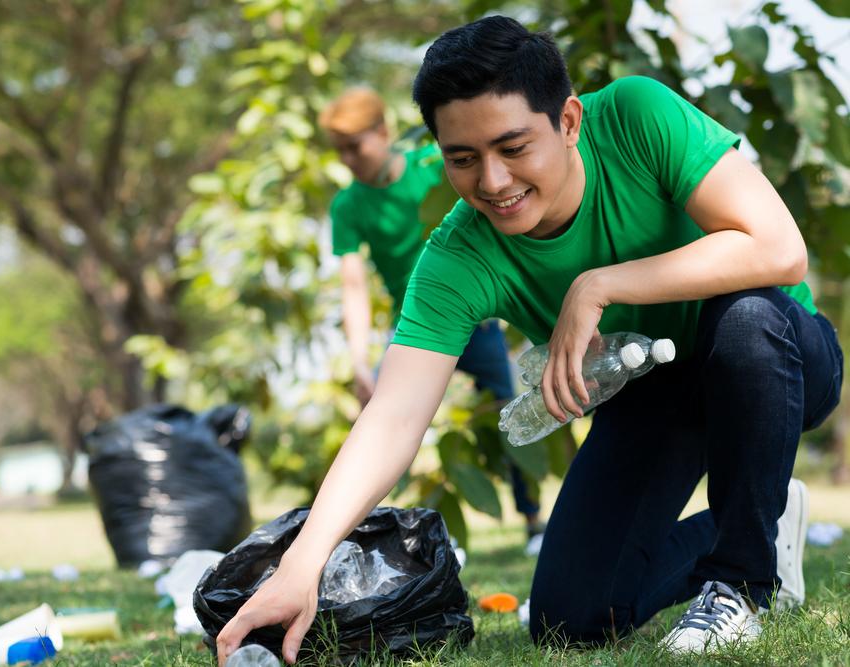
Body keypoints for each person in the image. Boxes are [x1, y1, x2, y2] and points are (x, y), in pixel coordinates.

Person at [216, 16, 842, 664]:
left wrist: (595, 285)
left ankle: (739, 582)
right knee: (570, 614)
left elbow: (779, 247)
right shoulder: (459, 254)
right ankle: (762, 514)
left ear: (568, 121)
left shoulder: (635, 116)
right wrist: (302, 562)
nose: (492, 181)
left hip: (777, 361)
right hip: (653, 395)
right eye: (463, 158)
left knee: (742, 317)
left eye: (513, 147)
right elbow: (395, 415)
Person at [319, 86, 545, 537]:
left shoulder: (432, 167)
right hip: (418, 327)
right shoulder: (348, 205)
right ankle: (362, 531)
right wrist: (361, 360)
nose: (347, 159)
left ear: (383, 133)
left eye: (354, 147)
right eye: (339, 151)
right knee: (380, 421)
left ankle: (533, 521)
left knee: (511, 412)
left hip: (476, 321)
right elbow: (353, 283)